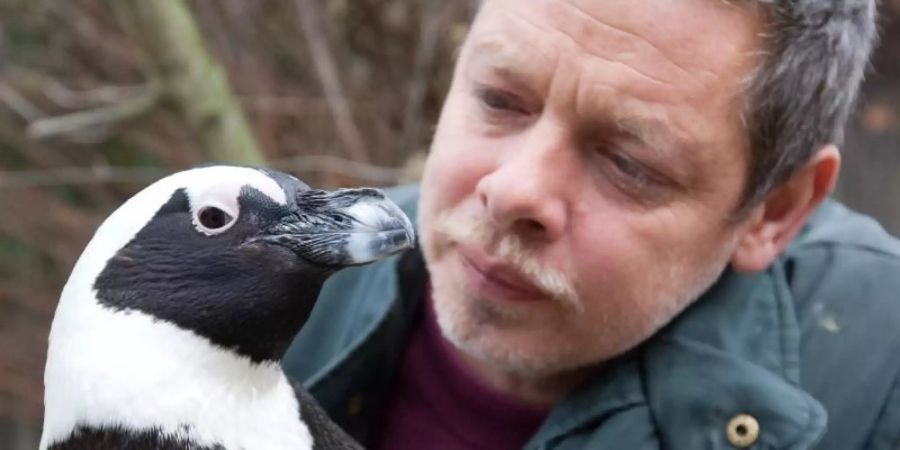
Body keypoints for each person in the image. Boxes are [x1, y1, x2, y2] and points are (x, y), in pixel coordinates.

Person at [284, 0, 900, 448]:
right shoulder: (247, 278)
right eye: (499, 99)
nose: (514, 191)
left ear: (773, 211)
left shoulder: (875, 382)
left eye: (629, 164)